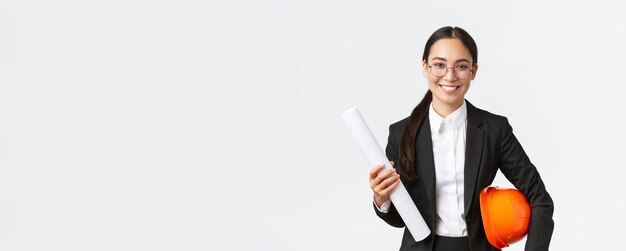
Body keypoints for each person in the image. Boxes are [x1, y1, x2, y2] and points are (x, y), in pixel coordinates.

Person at [368, 26, 554, 251]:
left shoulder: (494, 130)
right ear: (425, 67)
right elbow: (399, 219)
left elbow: (540, 199)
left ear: (473, 71)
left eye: (461, 66)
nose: (450, 75)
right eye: (439, 65)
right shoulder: (400, 133)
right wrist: (382, 199)